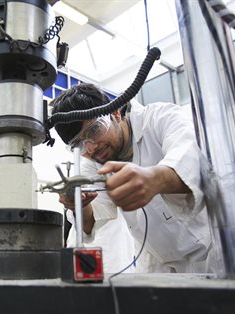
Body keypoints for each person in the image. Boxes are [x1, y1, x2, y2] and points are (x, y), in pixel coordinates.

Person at [50, 83, 214, 273]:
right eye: (80, 145)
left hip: (212, 255)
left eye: (94, 131)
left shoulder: (160, 119)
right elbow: (91, 223)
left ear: (115, 113)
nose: (92, 147)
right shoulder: (92, 163)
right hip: (159, 265)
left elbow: (195, 161)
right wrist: (79, 204)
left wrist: (154, 179)